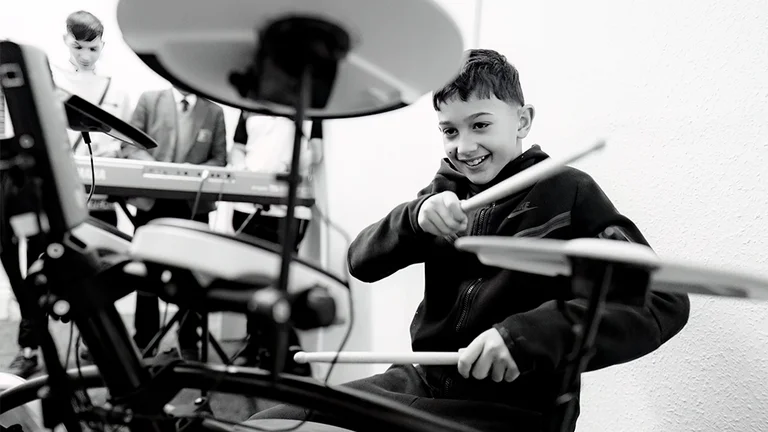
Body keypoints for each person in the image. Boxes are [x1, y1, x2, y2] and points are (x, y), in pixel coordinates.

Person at [249, 49, 691, 432]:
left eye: (480, 125)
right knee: (265, 424)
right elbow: (360, 261)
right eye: (450, 130)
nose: (464, 146)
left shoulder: (567, 192)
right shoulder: (445, 193)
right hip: (421, 382)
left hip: (510, 410)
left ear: (523, 119)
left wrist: (529, 336)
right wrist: (415, 219)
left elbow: (661, 299)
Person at [4, 10, 131, 378]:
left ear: (102, 46)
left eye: (92, 48)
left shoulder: (117, 91)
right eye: (78, 47)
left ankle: (96, 345)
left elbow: (123, 148)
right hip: (56, 193)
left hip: (102, 196)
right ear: (65, 42)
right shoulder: (50, 82)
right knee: (37, 273)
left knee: (96, 273)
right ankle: (30, 347)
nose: (86, 55)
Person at [122, 86, 227, 361]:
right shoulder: (148, 100)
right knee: (146, 274)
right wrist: (161, 173)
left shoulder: (214, 111)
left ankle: (189, 341)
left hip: (193, 204)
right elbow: (130, 145)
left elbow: (220, 157)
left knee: (192, 276)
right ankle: (145, 340)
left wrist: (189, 176)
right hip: (152, 202)